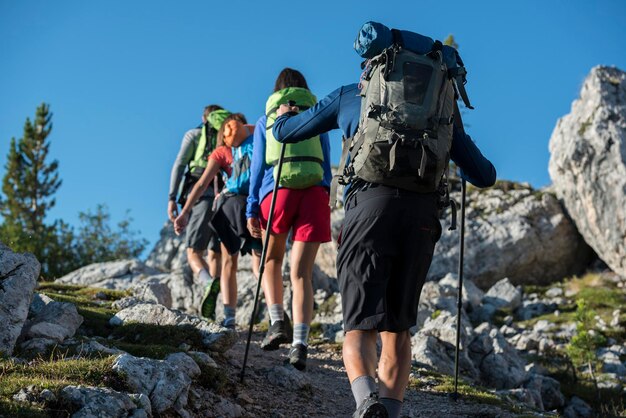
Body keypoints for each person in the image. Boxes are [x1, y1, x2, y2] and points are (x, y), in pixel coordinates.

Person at [272, 80, 496, 416]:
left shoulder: (353, 94)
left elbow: (287, 133)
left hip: (369, 211)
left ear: (373, 66)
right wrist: (457, 142)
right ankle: (390, 412)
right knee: (398, 331)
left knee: (359, 327)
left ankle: (366, 402)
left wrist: (283, 115)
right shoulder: (439, 104)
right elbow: (484, 175)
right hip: (421, 218)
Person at [246, 68, 332, 371]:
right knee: (302, 274)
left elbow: (257, 167)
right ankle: (300, 343)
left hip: (277, 192)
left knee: (271, 261)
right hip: (313, 194)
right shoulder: (317, 117)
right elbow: (325, 160)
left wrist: (251, 207)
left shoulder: (264, 121)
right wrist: (326, 193)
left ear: (277, 92)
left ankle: (277, 320)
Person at [175, 113, 261, 329]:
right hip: (257, 203)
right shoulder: (255, 137)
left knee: (229, 263)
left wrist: (184, 211)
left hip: (229, 207)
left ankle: (230, 317)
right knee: (259, 261)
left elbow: (202, 183)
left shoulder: (222, 151)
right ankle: (275, 311)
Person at [168, 105, 231, 319]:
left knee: (193, 252)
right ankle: (213, 310)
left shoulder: (194, 135)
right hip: (226, 199)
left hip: (201, 196)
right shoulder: (227, 137)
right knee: (215, 254)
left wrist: (172, 198)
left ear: (204, 118)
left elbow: (179, 165)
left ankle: (207, 282)